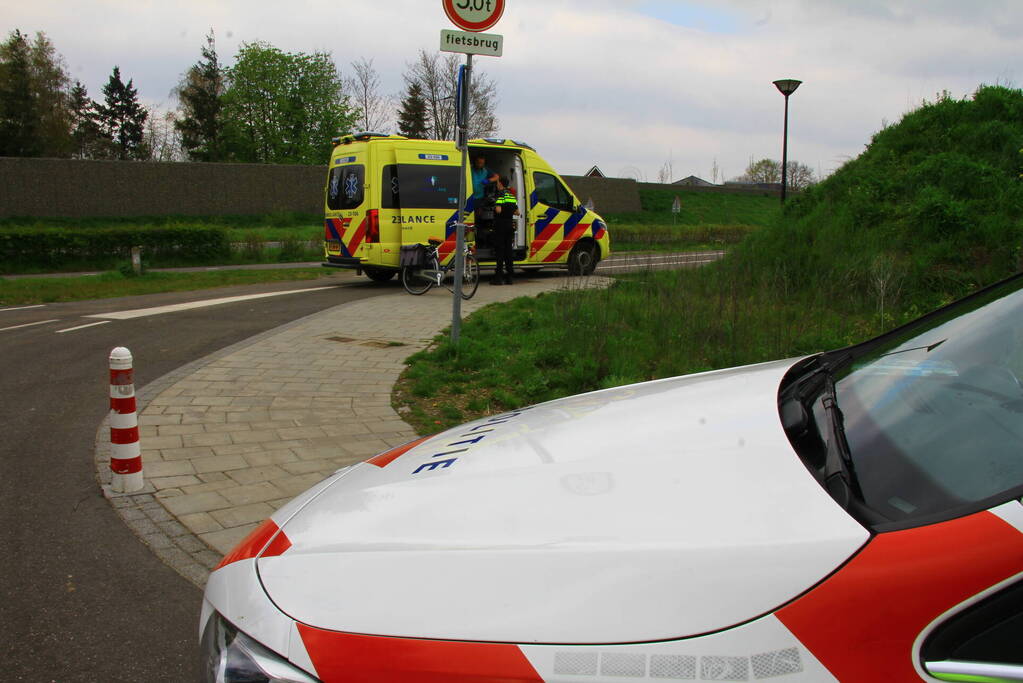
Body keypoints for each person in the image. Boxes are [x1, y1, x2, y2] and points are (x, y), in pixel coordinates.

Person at [492, 176, 519, 285]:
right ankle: (510, 277)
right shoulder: (511, 195)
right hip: (509, 225)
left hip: (500, 225)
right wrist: (509, 212)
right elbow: (517, 212)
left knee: (500, 251)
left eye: (498, 183)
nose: (497, 184)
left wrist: (495, 207)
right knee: (509, 251)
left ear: (500, 184)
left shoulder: (500, 194)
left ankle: (498, 278)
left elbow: (498, 210)